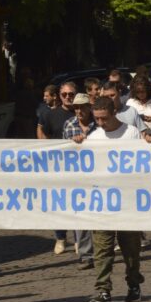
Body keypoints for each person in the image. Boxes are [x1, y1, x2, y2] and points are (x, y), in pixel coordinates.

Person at [85, 97, 144, 302]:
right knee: (102, 248)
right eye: (97, 119)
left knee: (131, 248)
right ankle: (103, 289)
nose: (101, 123)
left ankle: (134, 283)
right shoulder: (93, 137)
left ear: (114, 113)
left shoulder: (131, 133)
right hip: (102, 202)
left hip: (127, 201)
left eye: (104, 118)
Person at [38, 81, 76, 254]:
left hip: (79, 166)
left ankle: (79, 238)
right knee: (58, 202)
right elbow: (42, 132)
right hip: (58, 165)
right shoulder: (51, 115)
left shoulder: (83, 112)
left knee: (77, 201)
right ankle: (61, 237)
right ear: (60, 96)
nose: (68, 97)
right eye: (64, 94)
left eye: (71, 94)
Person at [63, 93, 97, 270]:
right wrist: (74, 144)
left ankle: (103, 251)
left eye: (82, 107)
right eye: (76, 107)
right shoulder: (69, 124)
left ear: (89, 108)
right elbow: (64, 150)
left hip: (99, 175)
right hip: (78, 177)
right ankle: (86, 255)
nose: (79, 111)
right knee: (81, 216)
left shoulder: (98, 124)